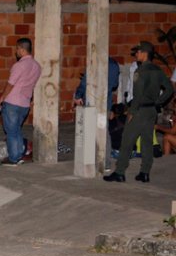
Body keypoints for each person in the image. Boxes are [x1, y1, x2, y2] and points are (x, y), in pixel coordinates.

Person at [104, 41, 173, 183]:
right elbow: (169, 89)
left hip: (139, 111)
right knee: (147, 142)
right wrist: (158, 102)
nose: (136, 54)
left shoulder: (140, 72)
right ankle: (145, 172)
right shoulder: (157, 70)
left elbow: (138, 95)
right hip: (151, 111)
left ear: (145, 53)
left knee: (127, 141)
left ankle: (120, 172)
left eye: (138, 52)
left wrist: (131, 112)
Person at [0, 38, 42, 166]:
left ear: (22, 49)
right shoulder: (37, 66)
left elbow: (10, 84)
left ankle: (13, 158)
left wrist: (2, 98)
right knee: (17, 129)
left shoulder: (19, 66)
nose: (16, 51)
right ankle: (18, 155)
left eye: (17, 49)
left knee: (11, 131)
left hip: (12, 102)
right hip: (24, 103)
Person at [73, 56, 120, 168]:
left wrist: (78, 95)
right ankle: (106, 163)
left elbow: (85, 82)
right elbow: (114, 85)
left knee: (89, 132)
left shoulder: (94, 62)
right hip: (105, 103)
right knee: (103, 132)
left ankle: (89, 161)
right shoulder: (114, 64)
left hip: (92, 103)